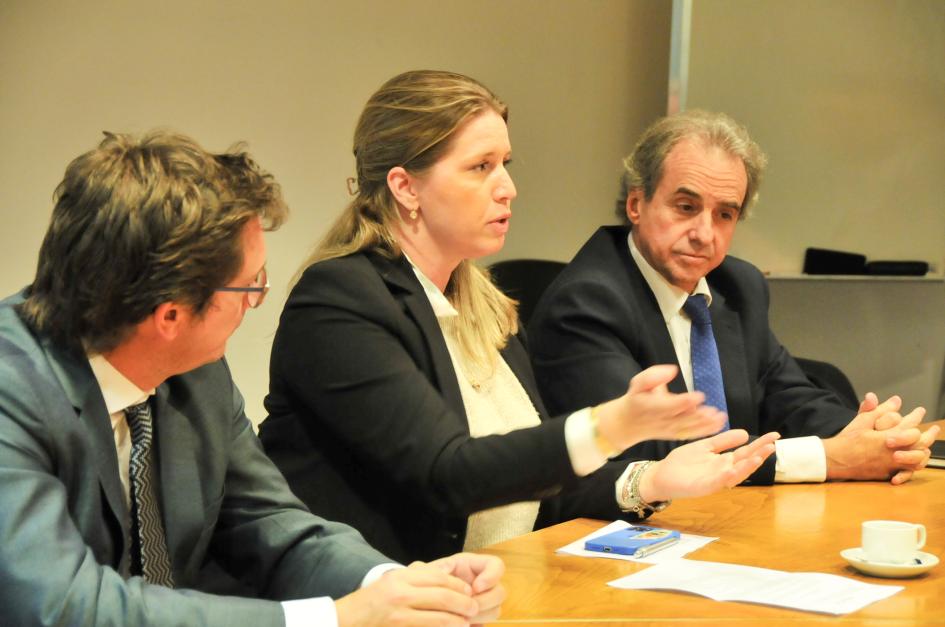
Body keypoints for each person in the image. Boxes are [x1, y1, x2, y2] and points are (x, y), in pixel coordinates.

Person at [258, 70, 780, 565]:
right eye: (481, 167)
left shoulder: (483, 303)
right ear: (405, 187)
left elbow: (534, 489)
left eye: (506, 164)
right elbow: (449, 474)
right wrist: (607, 427)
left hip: (499, 585)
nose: (508, 187)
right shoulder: (340, 300)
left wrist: (652, 480)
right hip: (380, 599)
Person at [0, 130, 506, 626]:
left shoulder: (196, 371)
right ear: (170, 317)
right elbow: (63, 606)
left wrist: (393, 586)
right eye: (250, 285)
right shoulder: (12, 389)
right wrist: (333, 619)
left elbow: (269, 521)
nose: (253, 303)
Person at [527, 109, 938, 486]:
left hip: (730, 518)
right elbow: (650, 451)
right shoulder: (586, 302)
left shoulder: (737, 285)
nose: (705, 234)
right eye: (686, 207)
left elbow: (785, 394)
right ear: (636, 204)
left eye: (725, 214)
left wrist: (867, 435)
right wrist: (828, 458)